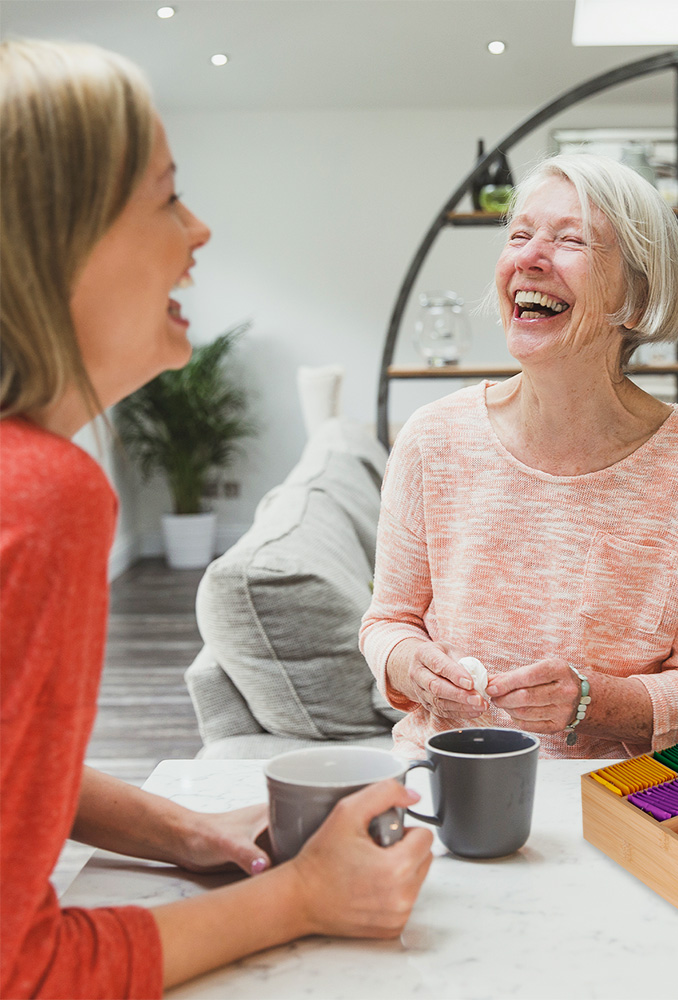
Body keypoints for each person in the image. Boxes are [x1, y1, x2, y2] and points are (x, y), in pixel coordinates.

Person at [0, 39, 433, 998]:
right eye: (165, 197)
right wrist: (305, 900)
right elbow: (17, 972)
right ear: (54, 237)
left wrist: (184, 830)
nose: (198, 232)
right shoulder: (40, 497)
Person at [360, 153, 678, 761]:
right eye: (519, 235)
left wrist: (593, 704)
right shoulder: (431, 441)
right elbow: (387, 622)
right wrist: (410, 665)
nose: (529, 257)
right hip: (445, 778)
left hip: (618, 802)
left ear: (636, 293)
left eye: (571, 240)